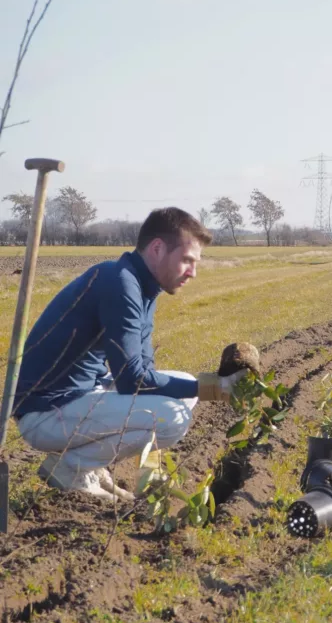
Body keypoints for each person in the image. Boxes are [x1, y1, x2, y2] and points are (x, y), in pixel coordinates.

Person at [14, 208, 250, 502]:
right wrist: (215, 387)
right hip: (45, 413)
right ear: (157, 248)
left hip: (78, 398)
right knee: (173, 418)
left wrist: (204, 385)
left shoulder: (140, 287)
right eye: (187, 260)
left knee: (185, 387)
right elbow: (131, 381)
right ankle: (72, 469)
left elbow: (142, 368)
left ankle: (92, 465)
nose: (193, 272)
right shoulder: (120, 283)